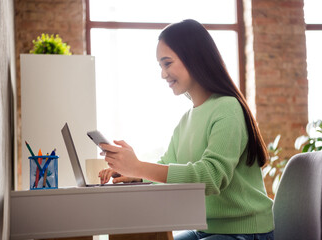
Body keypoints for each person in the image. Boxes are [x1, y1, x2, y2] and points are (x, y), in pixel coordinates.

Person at [99, 19, 274, 240]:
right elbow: (167, 164)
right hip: (205, 229)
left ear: (194, 57)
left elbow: (210, 177)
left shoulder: (228, 108)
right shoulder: (186, 119)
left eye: (167, 63)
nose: (163, 74)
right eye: (160, 66)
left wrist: (140, 167)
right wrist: (134, 174)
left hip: (245, 232)